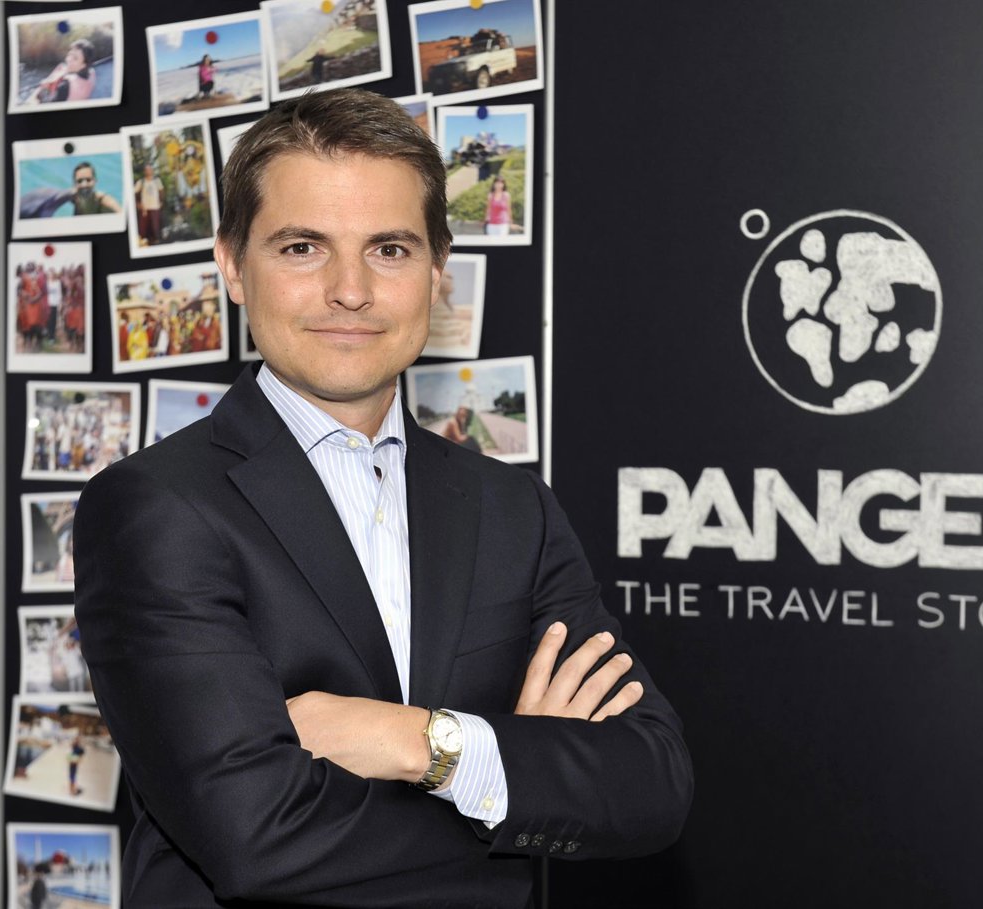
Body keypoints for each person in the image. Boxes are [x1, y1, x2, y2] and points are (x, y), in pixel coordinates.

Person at [73, 87, 691, 908]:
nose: (351, 289)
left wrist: (418, 741)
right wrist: (513, 776)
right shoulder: (154, 509)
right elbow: (256, 838)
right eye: (302, 247)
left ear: (437, 271)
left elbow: (652, 785)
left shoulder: (513, 508)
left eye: (390, 249)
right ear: (232, 265)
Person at [29, 39, 97, 104]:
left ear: (84, 65)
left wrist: (43, 90)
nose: (68, 59)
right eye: (70, 54)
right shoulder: (91, 73)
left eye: (75, 58)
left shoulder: (64, 86)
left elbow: (48, 106)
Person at [133, 163, 165, 246]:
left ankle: (156, 244)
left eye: (150, 169)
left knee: (155, 229)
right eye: (147, 170)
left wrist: (161, 202)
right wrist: (138, 204)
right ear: (144, 171)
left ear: (152, 170)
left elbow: (161, 191)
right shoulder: (141, 182)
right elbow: (134, 194)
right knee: (143, 231)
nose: (149, 171)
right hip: (145, 209)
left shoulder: (157, 181)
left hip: (155, 208)